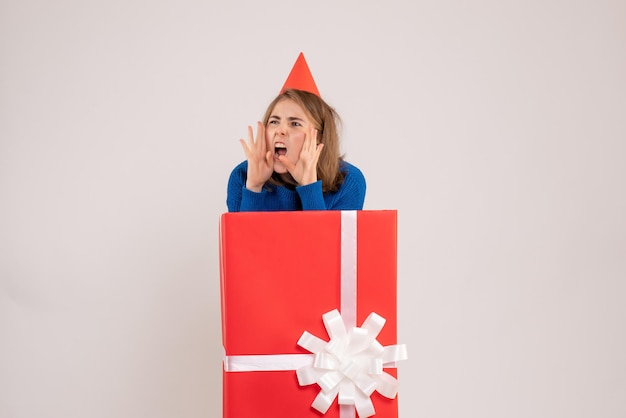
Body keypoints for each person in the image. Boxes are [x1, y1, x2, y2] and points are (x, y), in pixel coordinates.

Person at [226, 53, 366, 212]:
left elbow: (323, 238)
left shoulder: (349, 181)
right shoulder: (242, 176)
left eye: (295, 123)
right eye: (274, 121)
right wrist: (254, 188)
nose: (280, 130)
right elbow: (242, 237)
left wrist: (309, 188)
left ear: (319, 136)